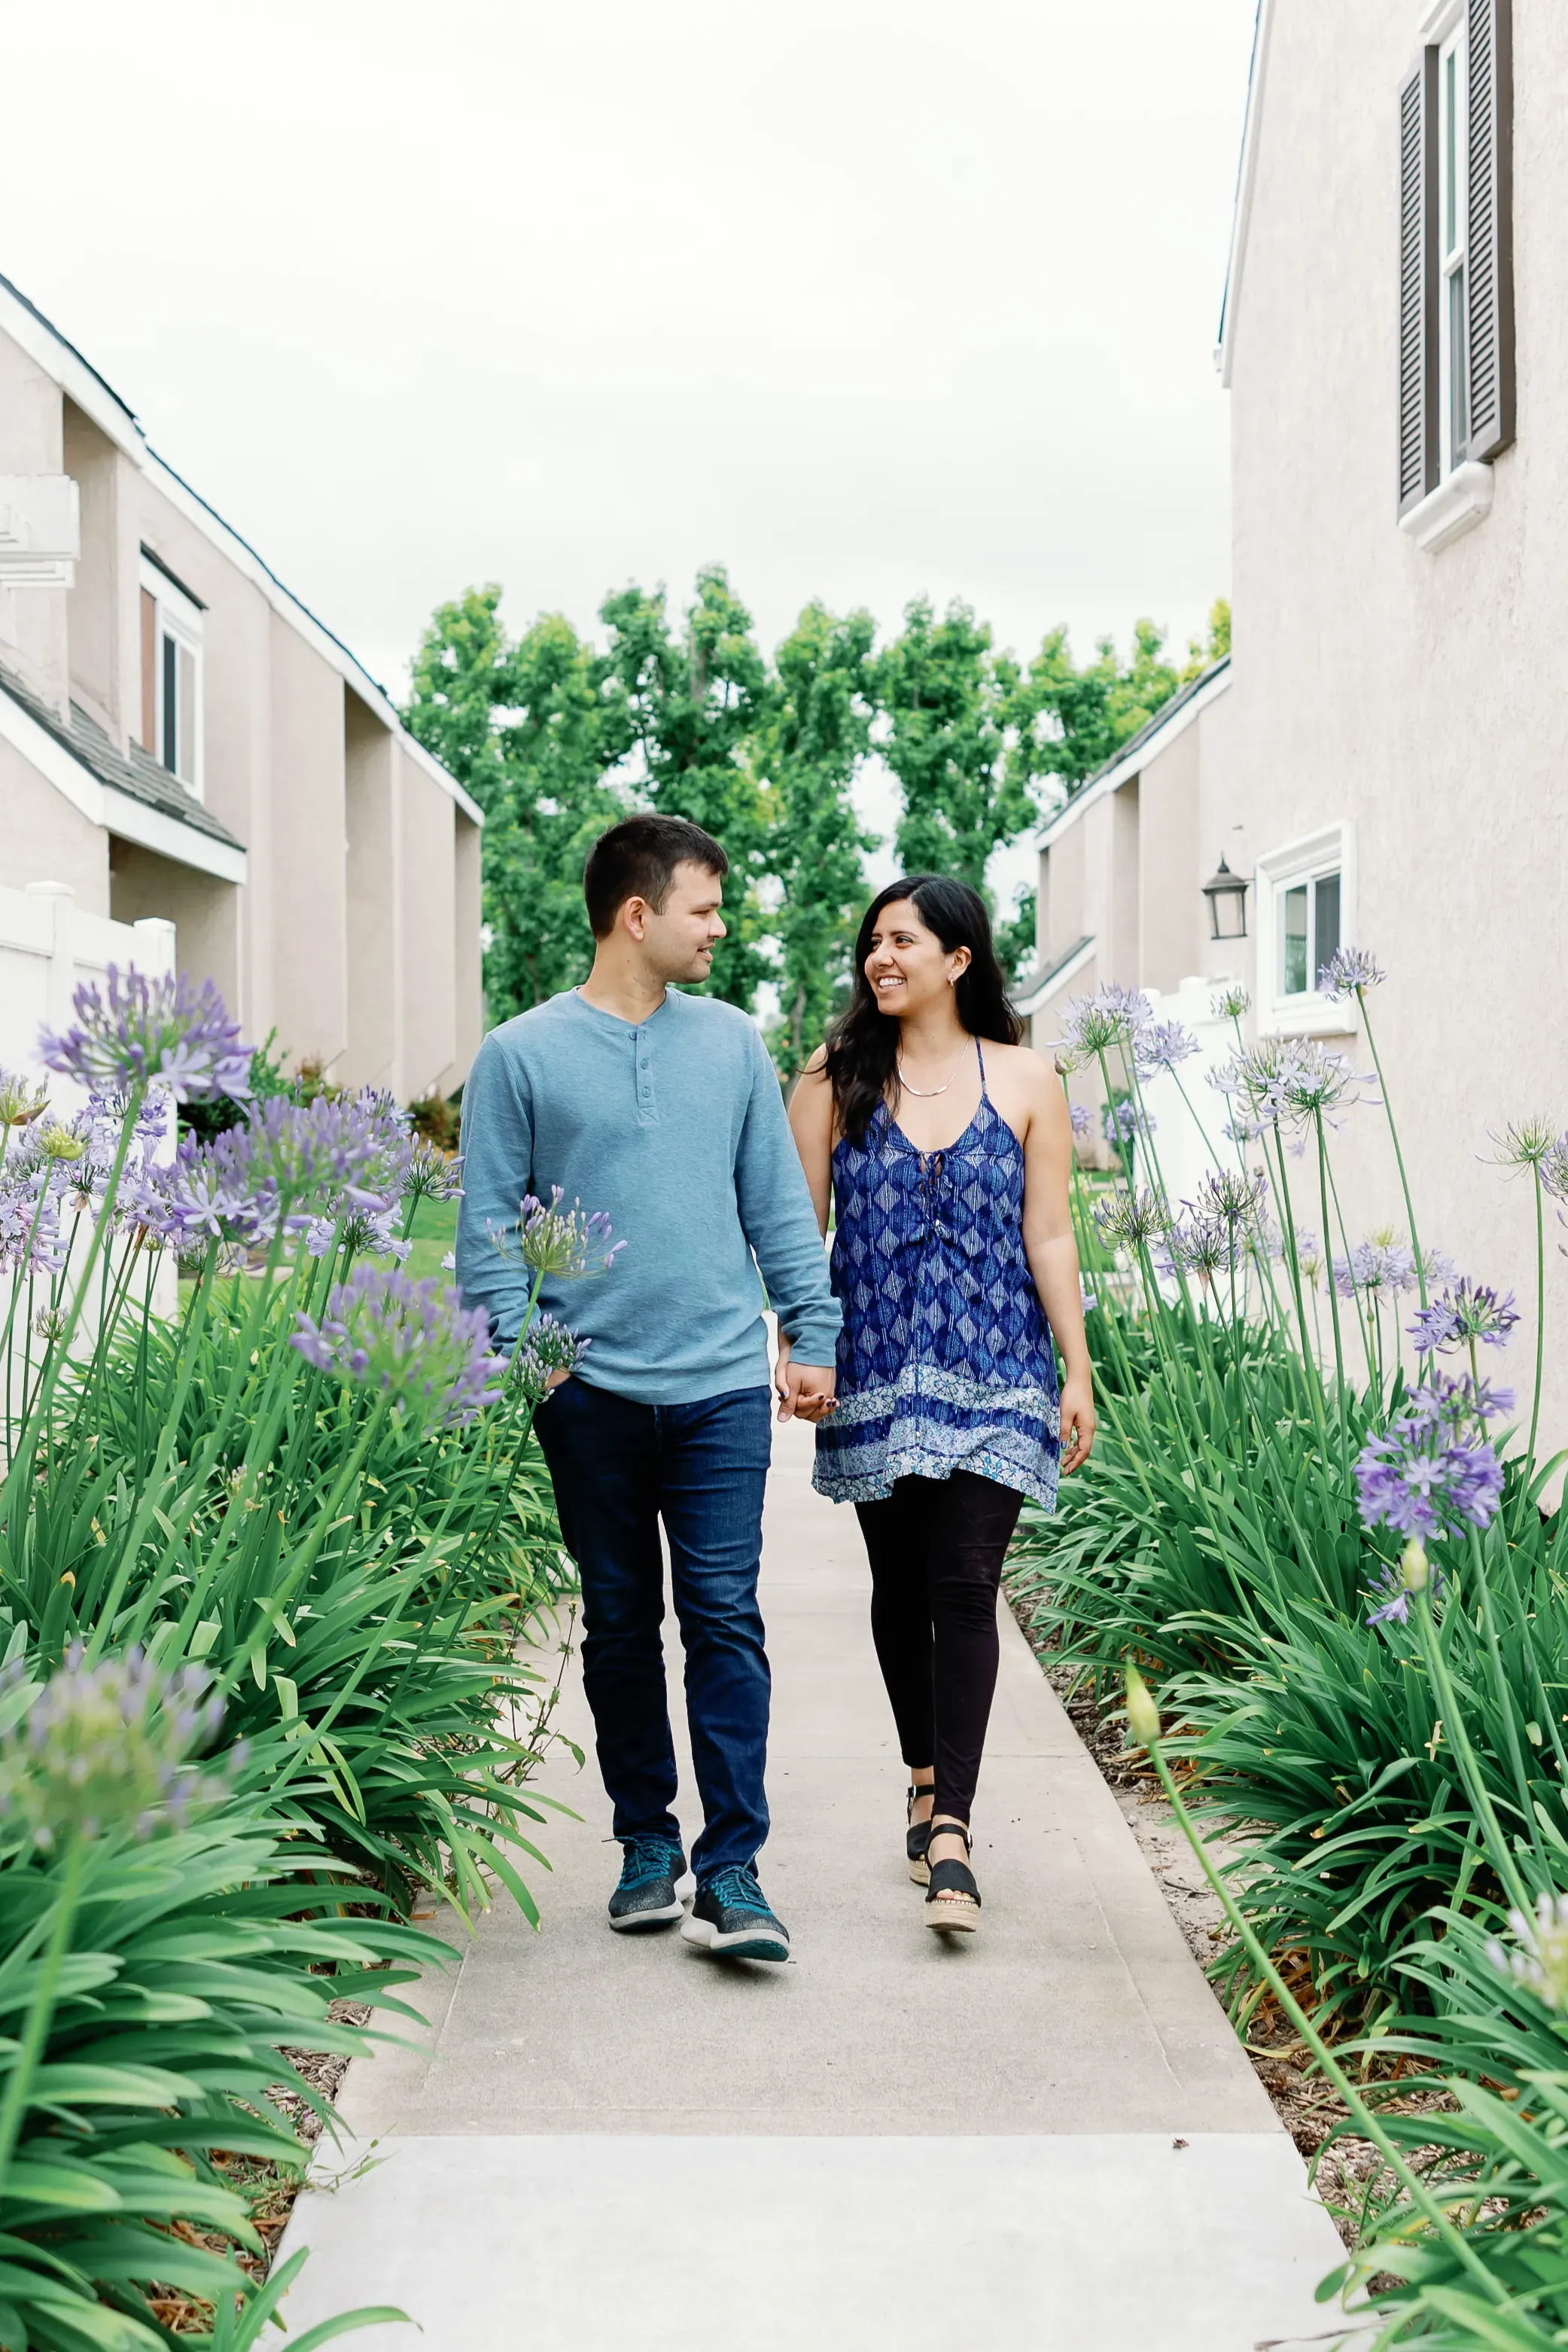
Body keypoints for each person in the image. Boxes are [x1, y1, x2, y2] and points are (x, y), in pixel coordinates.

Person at [456, 814, 839, 1967]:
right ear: (639, 914)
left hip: (722, 1384)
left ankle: (733, 1867)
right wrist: (530, 1376)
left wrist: (807, 1331)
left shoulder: (729, 1044)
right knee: (621, 1623)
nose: (720, 929)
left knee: (724, 1617)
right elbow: (485, 1234)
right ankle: (644, 1847)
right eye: (705, 908)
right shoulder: (519, 1055)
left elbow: (775, 1203)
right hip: (592, 1396)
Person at [787, 875, 1095, 1934]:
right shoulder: (833, 1078)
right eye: (872, 941)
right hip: (874, 1369)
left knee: (964, 1583)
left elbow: (1048, 1234)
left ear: (957, 960)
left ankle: (953, 1829)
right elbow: (800, 1235)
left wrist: (1077, 1367)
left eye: (902, 941)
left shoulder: (1025, 1077)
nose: (880, 958)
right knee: (898, 1584)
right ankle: (921, 1774)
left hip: (999, 1369)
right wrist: (802, 1350)